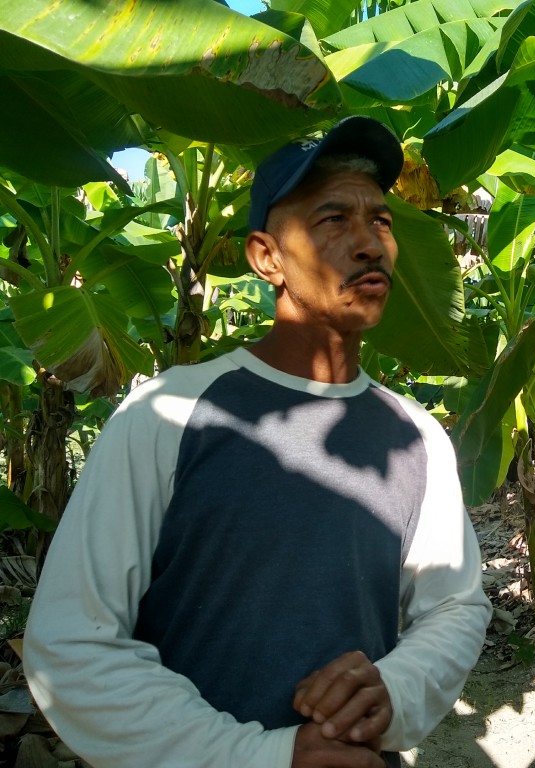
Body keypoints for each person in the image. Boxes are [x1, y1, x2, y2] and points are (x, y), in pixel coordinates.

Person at [23, 116, 492, 768]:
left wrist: (396, 687)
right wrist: (265, 755)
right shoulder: (170, 413)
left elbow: (455, 606)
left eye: (380, 221)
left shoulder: (416, 439)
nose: (369, 244)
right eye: (333, 220)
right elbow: (73, 641)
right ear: (266, 257)